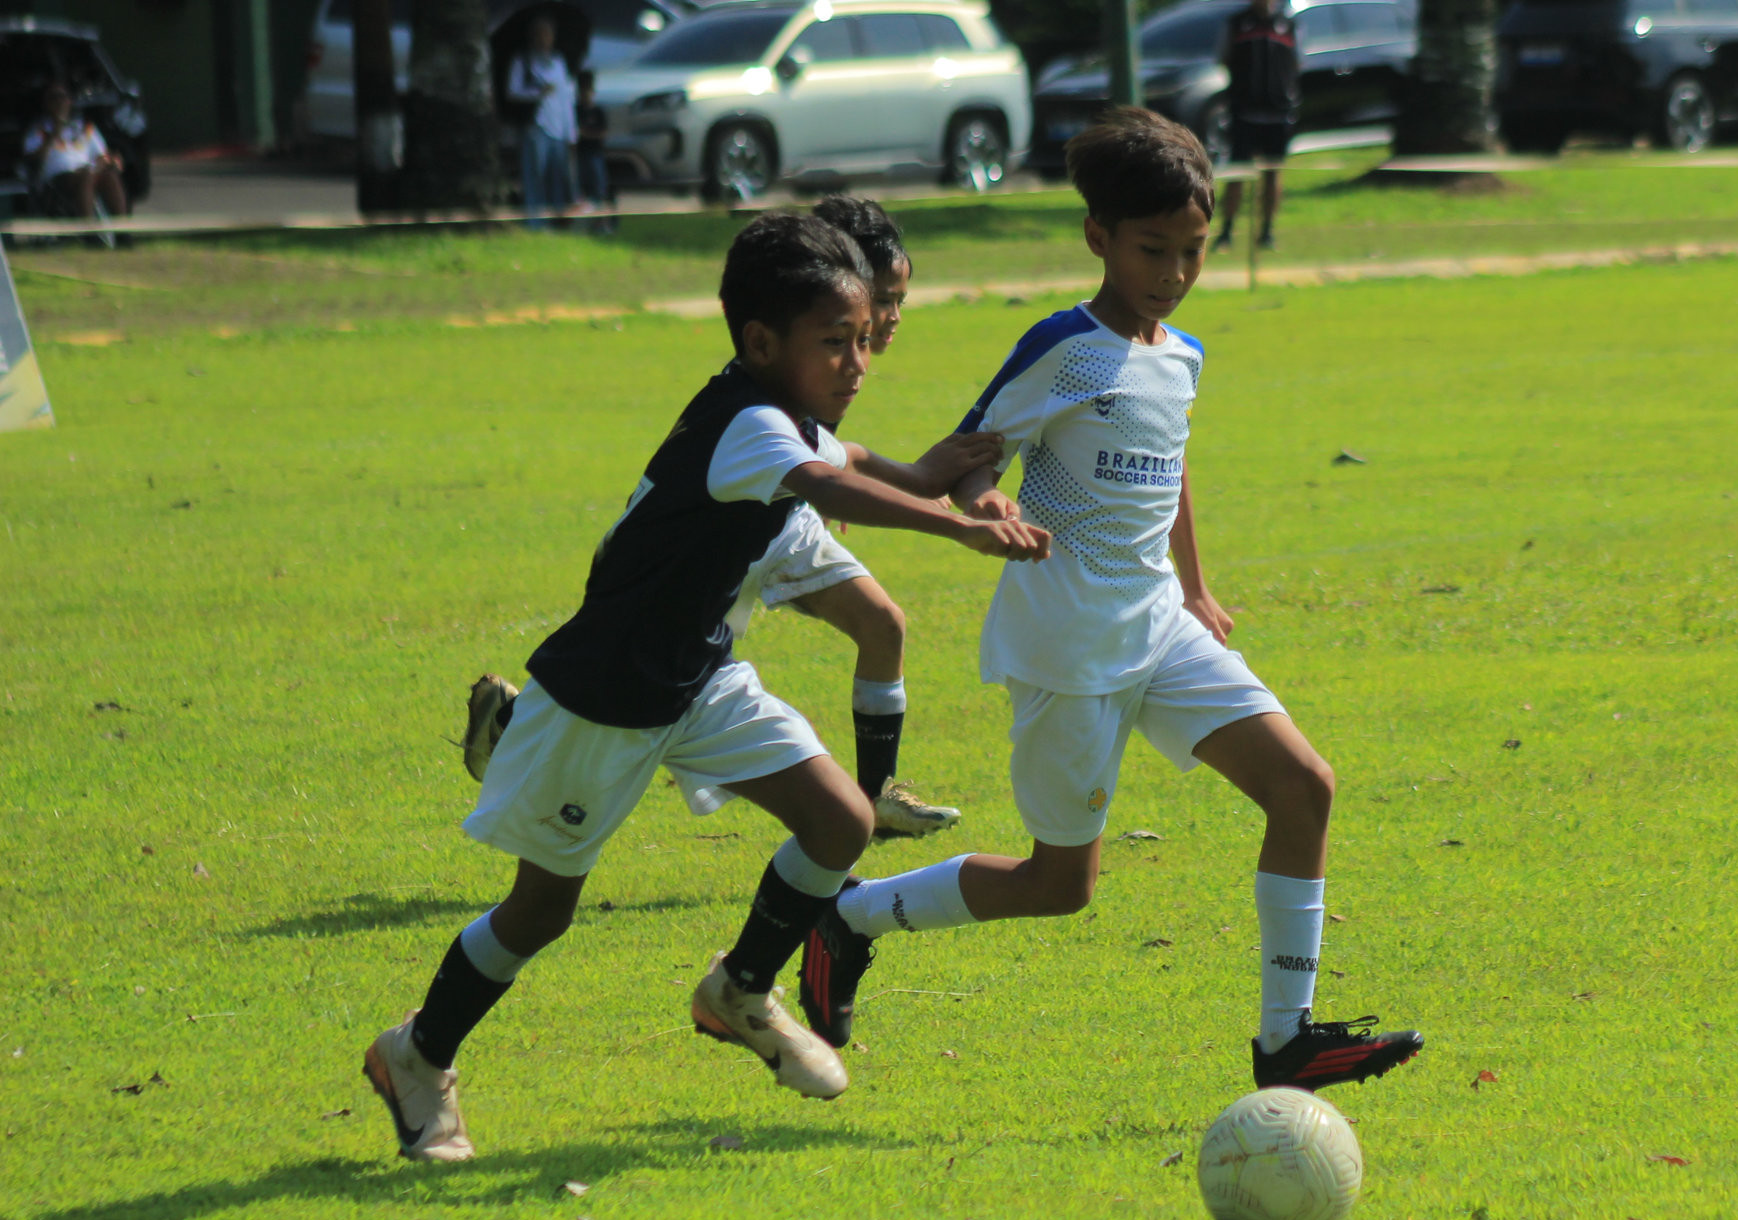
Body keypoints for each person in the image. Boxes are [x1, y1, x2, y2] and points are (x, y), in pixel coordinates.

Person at [365, 214, 1052, 1161]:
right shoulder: (744, 424)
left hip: (700, 677)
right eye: (834, 343)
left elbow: (852, 460)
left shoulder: (789, 410)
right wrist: (953, 529)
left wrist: (941, 475)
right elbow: (823, 480)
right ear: (760, 342)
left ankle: (738, 986)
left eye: (864, 340)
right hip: (605, 693)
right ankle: (417, 1052)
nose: (858, 362)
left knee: (840, 822)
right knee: (540, 912)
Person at [791, 109, 1424, 1094]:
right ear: (1098, 238)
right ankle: (850, 915)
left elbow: (1168, 470)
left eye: (1191, 250)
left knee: (1305, 787)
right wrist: (985, 499)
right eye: (1151, 249)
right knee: (1059, 886)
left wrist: (1199, 587)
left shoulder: (1183, 355)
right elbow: (969, 454)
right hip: (1069, 645)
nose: (1172, 271)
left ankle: (1285, 1039)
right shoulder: (1063, 347)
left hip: (1162, 627)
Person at [461, 198, 992, 842]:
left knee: (877, 626)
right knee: (668, 674)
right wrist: (864, 497)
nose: (889, 318)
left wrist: (910, 478)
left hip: (773, 510)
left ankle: (870, 801)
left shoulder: (826, 359)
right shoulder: (766, 393)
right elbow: (809, 467)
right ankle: (527, 733)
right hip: (742, 521)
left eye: (896, 301)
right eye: (882, 297)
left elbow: (830, 457)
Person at [1214, 0, 1299, 253]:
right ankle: (1227, 231)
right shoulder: (1237, 23)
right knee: (1238, 173)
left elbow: (1296, 63)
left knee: (1273, 173)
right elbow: (1223, 59)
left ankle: (1267, 232)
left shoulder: (1289, 24)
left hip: (1278, 113)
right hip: (1245, 113)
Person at [20, 81, 126, 224]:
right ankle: (88, 231)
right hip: (57, 179)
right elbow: (34, 159)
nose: (60, 102)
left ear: (70, 101)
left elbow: (101, 155)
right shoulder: (38, 130)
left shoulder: (84, 126)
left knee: (110, 176)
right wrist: (55, 131)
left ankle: (123, 232)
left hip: (88, 170)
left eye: (63, 97)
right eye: (54, 97)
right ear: (46, 104)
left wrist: (110, 161)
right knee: (85, 176)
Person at [508, 17, 576, 226]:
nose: (543, 39)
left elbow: (566, 100)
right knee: (534, 176)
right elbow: (513, 92)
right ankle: (535, 222)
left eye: (547, 35)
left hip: (558, 128)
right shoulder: (523, 61)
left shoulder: (558, 62)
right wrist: (537, 93)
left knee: (556, 177)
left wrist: (571, 132)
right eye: (539, 34)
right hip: (536, 126)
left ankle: (557, 219)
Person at [573, 69, 612, 219]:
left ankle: (600, 215)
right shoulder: (576, 111)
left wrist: (585, 134)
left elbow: (602, 132)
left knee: (598, 184)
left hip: (595, 152)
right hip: (582, 153)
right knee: (583, 185)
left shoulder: (598, 111)